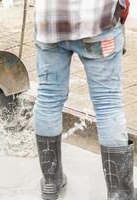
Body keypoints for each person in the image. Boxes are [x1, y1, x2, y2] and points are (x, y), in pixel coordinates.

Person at [33, 0, 132, 199]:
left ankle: (51, 181)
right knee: (108, 104)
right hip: (97, 20)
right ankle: (119, 193)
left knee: (48, 97)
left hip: (50, 20)